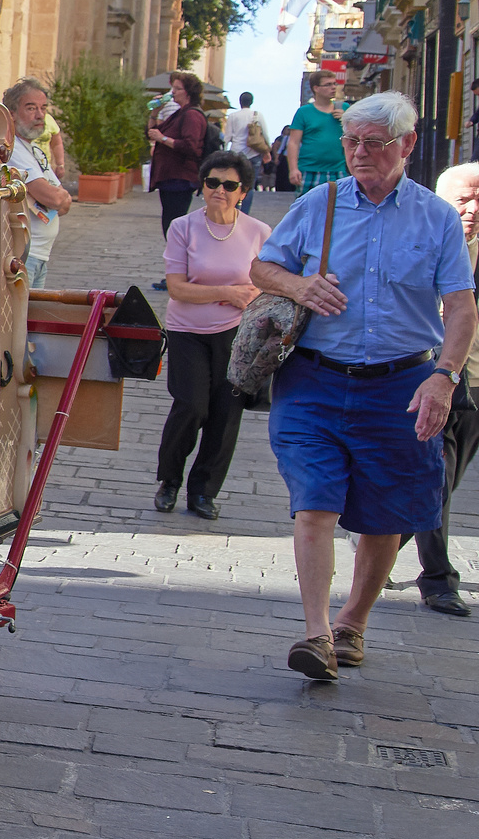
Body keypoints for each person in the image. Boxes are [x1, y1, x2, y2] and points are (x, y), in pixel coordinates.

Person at [251, 91, 476, 681]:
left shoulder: (437, 217)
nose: (359, 153)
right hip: (314, 383)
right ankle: (316, 634)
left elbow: (460, 308)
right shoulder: (319, 204)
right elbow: (262, 267)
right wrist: (299, 288)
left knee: (385, 515)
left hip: (400, 385)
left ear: (406, 145)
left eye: (374, 143)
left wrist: (443, 379)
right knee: (315, 505)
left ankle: (353, 620)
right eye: (351, 141)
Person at [154, 151, 269, 521]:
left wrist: (256, 298)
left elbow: (270, 283)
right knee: (191, 405)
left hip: (238, 335)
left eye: (229, 185)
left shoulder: (258, 232)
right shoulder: (182, 227)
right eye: (212, 182)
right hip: (187, 330)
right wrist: (228, 293)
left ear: (243, 191)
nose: (220, 190)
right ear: (202, 186)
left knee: (225, 414)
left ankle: (203, 491)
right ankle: (169, 480)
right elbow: (176, 288)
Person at [407, 161, 479, 618]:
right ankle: (437, 579)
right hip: (435, 378)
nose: (472, 208)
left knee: (445, 484)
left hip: (477, 383)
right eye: (463, 199)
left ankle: (383, 538)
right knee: (436, 480)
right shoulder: (426, 243)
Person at [1, 78, 71, 287]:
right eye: (31, 108)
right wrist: (56, 198)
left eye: (43, 108)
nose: (40, 115)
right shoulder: (12, 150)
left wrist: (57, 198)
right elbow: (54, 198)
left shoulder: (35, 150)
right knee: (20, 318)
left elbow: (63, 202)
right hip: (23, 256)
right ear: (11, 113)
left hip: (40, 256)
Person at [145, 70, 209, 237]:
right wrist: (154, 113)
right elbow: (152, 132)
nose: (172, 92)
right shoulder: (179, 114)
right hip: (169, 177)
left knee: (174, 224)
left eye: (177, 88)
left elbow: (191, 146)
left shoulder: (192, 115)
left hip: (180, 178)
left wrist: (163, 138)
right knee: (169, 222)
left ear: (188, 92)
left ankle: (178, 259)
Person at [290, 70, 347, 191]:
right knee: (308, 208)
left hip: (338, 169)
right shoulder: (304, 112)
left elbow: (358, 136)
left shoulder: (345, 109)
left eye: (334, 84)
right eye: (328, 84)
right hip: (310, 169)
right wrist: (293, 169)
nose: (333, 88)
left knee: (338, 207)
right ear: (316, 88)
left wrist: (347, 120)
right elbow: (293, 143)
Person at [222, 91, 269, 213]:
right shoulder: (257, 115)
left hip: (236, 154)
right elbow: (265, 134)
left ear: (240, 101)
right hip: (253, 153)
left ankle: (234, 209)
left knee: (235, 183)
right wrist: (267, 150)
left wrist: (223, 152)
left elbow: (227, 137)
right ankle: (245, 213)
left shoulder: (233, 116)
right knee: (250, 186)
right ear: (251, 101)